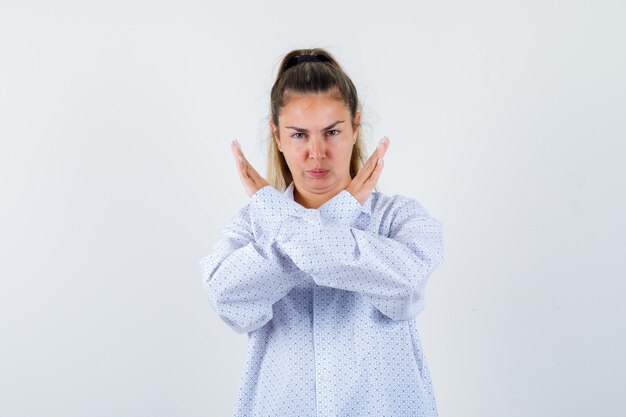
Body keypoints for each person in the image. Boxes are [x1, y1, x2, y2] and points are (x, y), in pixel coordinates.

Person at [198, 48, 444, 417]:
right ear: (277, 136)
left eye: (332, 131)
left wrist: (288, 221)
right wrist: (338, 213)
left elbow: (404, 289)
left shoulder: (400, 219)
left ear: (355, 127)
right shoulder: (252, 224)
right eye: (299, 135)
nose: (317, 153)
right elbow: (227, 298)